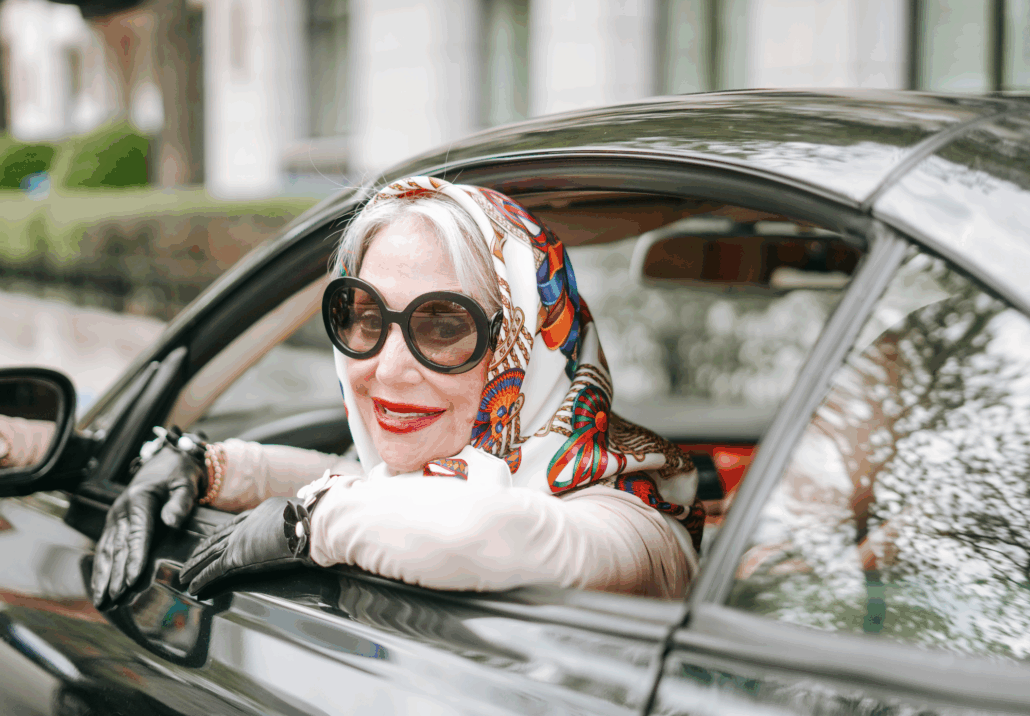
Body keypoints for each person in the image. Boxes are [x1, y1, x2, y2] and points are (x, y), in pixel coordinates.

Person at [91, 177, 705, 607]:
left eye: (445, 327)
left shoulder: (639, 529)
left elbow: (471, 532)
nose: (386, 370)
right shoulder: (448, 467)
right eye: (364, 316)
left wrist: (307, 524)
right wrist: (204, 465)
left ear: (527, 344)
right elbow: (360, 481)